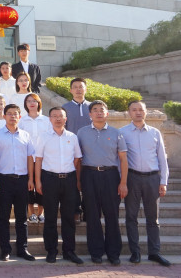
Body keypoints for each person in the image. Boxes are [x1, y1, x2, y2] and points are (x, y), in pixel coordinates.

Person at [121, 101, 171, 267]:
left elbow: (162, 159)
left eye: (141, 109)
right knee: (131, 217)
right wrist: (122, 181)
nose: (138, 112)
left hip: (152, 179)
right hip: (132, 178)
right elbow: (119, 160)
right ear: (129, 113)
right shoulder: (122, 133)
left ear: (146, 112)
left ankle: (154, 252)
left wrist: (163, 181)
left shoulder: (155, 133)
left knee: (153, 218)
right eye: (134, 110)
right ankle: (135, 252)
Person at [77, 100, 127, 265]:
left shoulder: (116, 133)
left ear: (107, 113)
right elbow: (77, 159)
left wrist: (123, 182)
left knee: (112, 215)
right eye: (95, 110)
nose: (99, 112)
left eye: (102, 110)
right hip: (89, 175)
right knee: (92, 215)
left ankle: (113, 253)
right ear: (90, 114)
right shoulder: (82, 133)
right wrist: (78, 180)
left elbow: (123, 159)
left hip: (110, 176)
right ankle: (96, 252)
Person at [34, 107, 84, 264]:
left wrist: (75, 179)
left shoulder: (72, 137)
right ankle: (51, 251)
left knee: (69, 217)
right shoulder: (43, 137)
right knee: (50, 217)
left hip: (69, 180)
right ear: (49, 119)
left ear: (65, 119)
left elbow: (77, 159)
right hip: (49, 179)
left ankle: (69, 251)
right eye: (54, 116)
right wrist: (37, 181)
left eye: (60, 116)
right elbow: (38, 160)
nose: (57, 119)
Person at [0, 104, 36, 262]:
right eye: (9, 113)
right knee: (3, 217)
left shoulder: (26, 135)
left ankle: (23, 249)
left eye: (15, 114)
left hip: (22, 180)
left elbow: (30, 158)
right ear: (4, 116)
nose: (12, 116)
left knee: (22, 218)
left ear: (20, 117)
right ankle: (5, 250)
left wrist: (30, 179)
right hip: (3, 180)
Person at [62, 77, 91, 224]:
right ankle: (75, 211)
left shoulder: (93, 107)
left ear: (86, 89)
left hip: (90, 151)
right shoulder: (65, 108)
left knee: (88, 182)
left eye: (81, 87)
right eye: (75, 87)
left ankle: (88, 211)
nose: (78, 89)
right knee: (73, 182)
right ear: (70, 90)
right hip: (71, 151)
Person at [18, 93, 50, 224]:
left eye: (34, 101)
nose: (31, 103)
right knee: (29, 186)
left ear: (39, 103)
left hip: (44, 158)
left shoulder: (46, 120)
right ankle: (31, 213)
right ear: (25, 104)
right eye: (29, 101)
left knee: (42, 185)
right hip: (28, 157)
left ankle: (41, 212)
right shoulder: (22, 121)